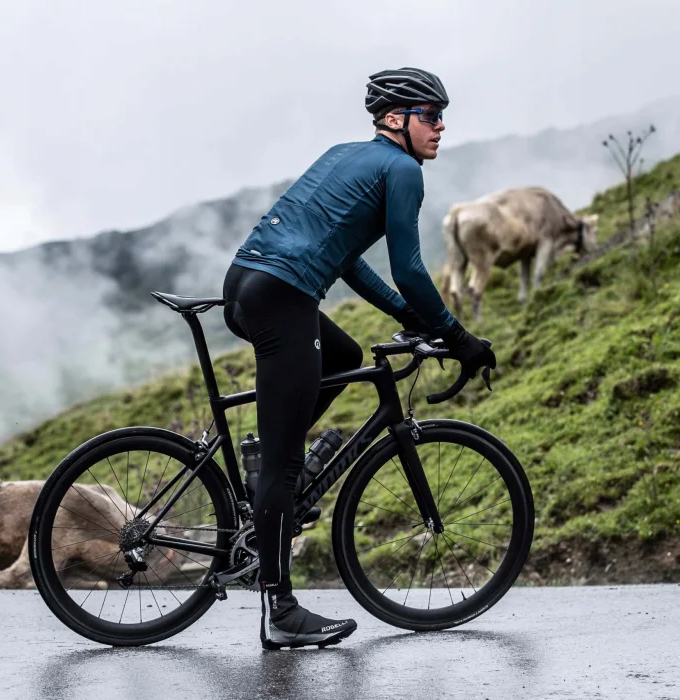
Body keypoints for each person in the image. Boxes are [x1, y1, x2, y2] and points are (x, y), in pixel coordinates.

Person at [222, 67, 497, 650]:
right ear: (396, 119)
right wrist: (456, 335)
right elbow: (410, 269)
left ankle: (277, 469)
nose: (440, 127)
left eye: (443, 117)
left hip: (246, 284)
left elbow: (347, 261)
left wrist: (408, 315)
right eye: (431, 115)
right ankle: (280, 611)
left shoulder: (344, 155)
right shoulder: (402, 170)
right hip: (282, 297)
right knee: (283, 466)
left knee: (343, 355)